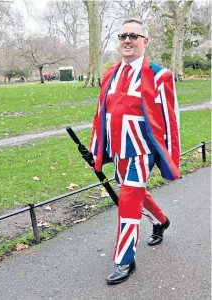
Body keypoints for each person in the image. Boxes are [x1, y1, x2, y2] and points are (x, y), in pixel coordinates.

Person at [88, 18, 180, 285]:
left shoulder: (160, 75)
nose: (127, 40)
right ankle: (161, 220)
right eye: (123, 36)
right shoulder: (109, 74)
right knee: (135, 192)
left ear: (144, 41)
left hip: (142, 152)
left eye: (133, 36)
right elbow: (100, 115)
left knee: (128, 201)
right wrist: (97, 150)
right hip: (119, 151)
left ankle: (125, 259)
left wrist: (171, 160)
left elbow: (170, 120)